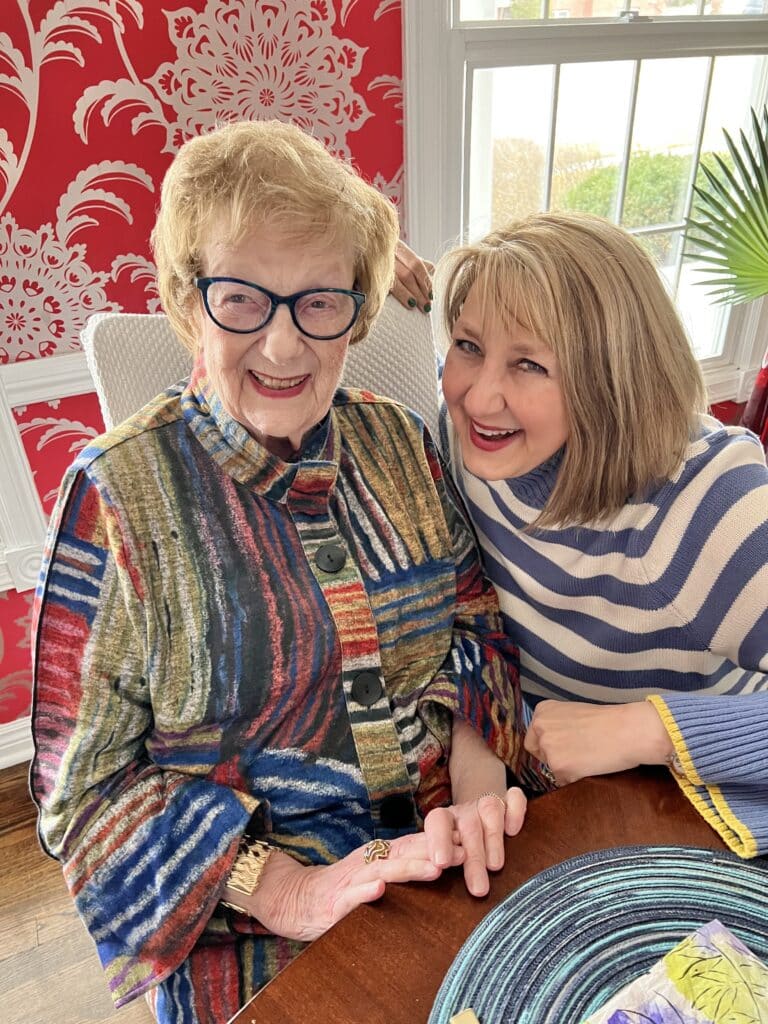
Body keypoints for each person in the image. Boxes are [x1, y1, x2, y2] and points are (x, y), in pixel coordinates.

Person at [29, 119, 532, 1024]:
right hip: (261, 935)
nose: (286, 346)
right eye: (244, 300)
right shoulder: (119, 499)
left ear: (358, 308)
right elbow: (84, 797)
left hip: (455, 862)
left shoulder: (397, 440)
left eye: (319, 302)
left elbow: (475, 616)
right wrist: (287, 889)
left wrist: (476, 770)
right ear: (190, 302)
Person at [432, 212, 768, 859]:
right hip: (555, 801)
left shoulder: (711, 502)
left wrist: (650, 729)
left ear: (612, 380)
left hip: (697, 814)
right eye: (469, 346)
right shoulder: (462, 442)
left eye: (528, 363)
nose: (479, 396)